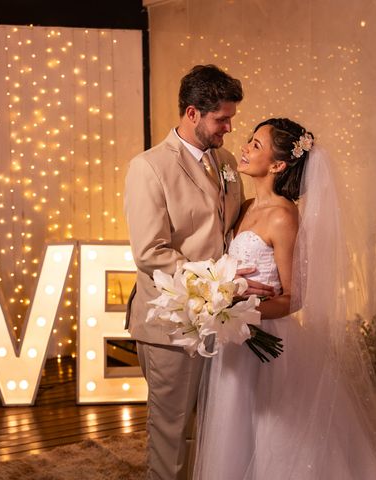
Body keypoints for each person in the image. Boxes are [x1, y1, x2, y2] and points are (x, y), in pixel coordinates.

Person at [192, 118, 376, 479]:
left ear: (278, 165)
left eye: (256, 145)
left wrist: (240, 309)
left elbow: (295, 297)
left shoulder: (282, 216)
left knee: (275, 434)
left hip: (268, 342)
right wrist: (220, 300)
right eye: (248, 141)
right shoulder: (243, 207)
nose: (244, 148)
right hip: (236, 339)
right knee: (233, 431)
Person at [123, 64, 275, 480]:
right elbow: (151, 252)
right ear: (192, 113)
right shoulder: (148, 167)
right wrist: (222, 283)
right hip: (170, 324)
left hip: (224, 320)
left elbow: (229, 230)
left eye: (230, 118)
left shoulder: (226, 161)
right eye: (221, 119)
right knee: (172, 433)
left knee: (215, 430)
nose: (229, 128)